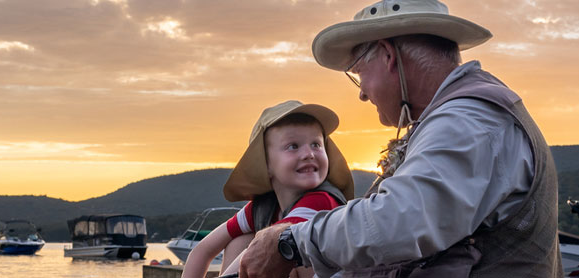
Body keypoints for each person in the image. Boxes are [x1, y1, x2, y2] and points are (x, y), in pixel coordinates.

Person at [239, 0, 560, 277]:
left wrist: (291, 243)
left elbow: (404, 217)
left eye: (359, 71)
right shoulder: (466, 113)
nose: (362, 93)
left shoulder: (467, 119)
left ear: (387, 55)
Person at [183, 100, 356, 278]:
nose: (309, 154)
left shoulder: (322, 201)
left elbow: (259, 254)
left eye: (316, 144)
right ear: (265, 165)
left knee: (285, 254)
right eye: (293, 146)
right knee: (239, 240)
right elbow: (201, 251)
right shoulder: (263, 207)